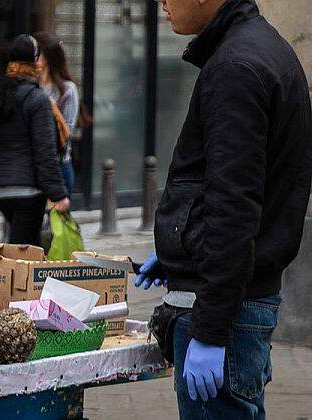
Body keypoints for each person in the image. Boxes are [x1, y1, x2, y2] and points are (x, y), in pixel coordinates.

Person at [135, 0, 312, 418]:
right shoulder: (257, 50)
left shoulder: (237, 66)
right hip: (235, 299)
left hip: (223, 310)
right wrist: (181, 245)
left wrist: (211, 331)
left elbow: (235, 205)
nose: (162, 2)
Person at [0, 34, 70, 247]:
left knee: (18, 246)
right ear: (35, 62)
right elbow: (45, 151)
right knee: (24, 253)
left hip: (1, 192)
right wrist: (58, 193)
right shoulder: (38, 99)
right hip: (29, 191)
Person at [35, 32, 92, 198]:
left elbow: (67, 130)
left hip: (58, 166)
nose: (33, 59)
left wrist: (51, 108)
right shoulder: (28, 85)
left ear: (48, 58)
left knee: (57, 222)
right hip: (31, 168)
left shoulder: (67, 90)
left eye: (38, 54)